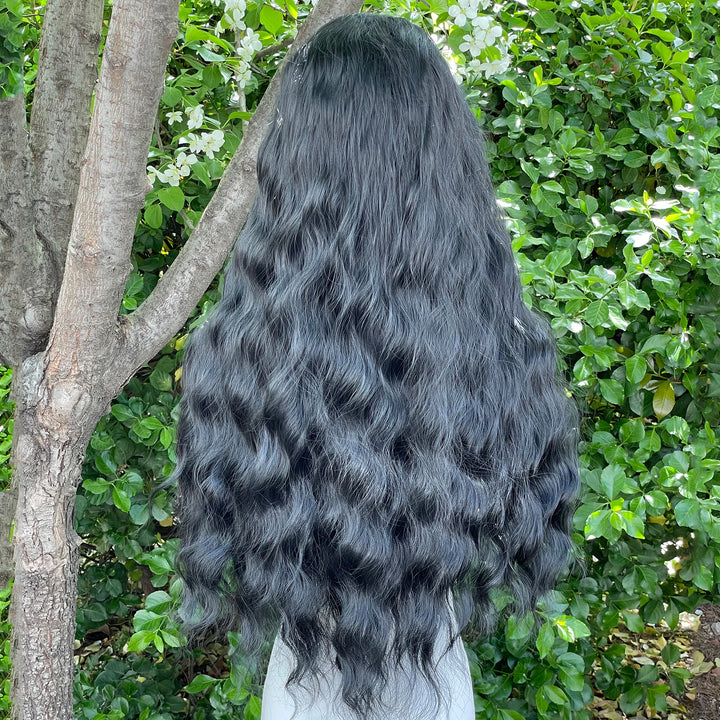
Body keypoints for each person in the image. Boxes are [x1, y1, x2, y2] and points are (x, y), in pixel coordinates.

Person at [172, 13, 580, 720]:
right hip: (428, 674)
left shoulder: (251, 340)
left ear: (298, 155)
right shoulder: (488, 336)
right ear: (443, 155)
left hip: (307, 682)